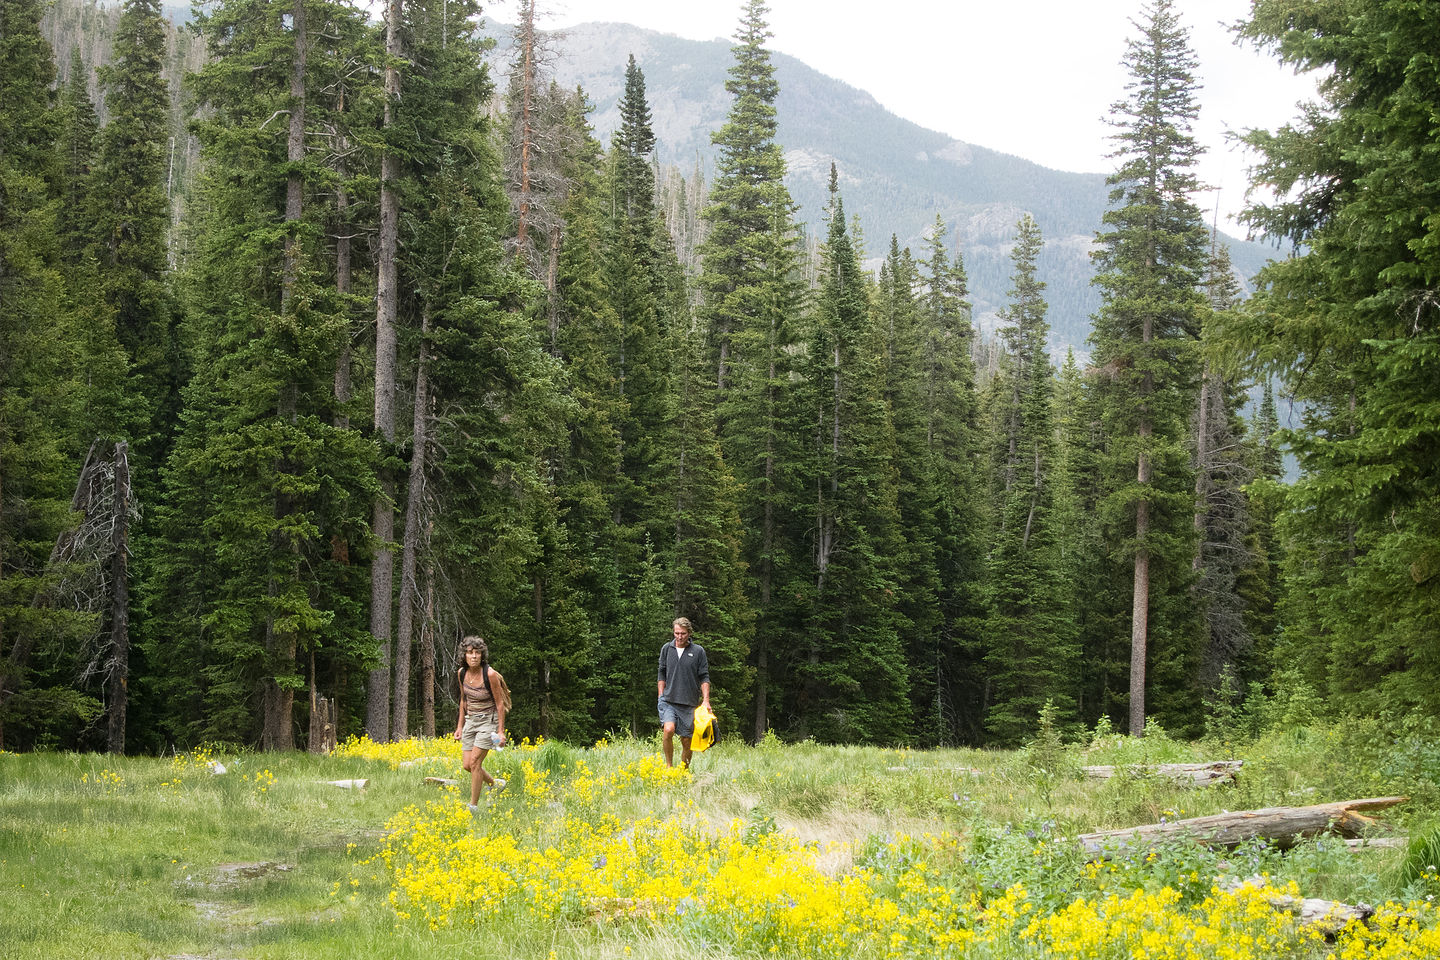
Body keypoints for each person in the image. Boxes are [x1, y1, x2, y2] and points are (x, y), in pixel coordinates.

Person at [452, 636, 508, 809]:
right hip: (471, 721)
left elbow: (500, 704)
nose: (474, 656)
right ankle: (495, 784)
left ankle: (473, 807)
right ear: (465, 655)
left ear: (482, 655)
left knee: (476, 762)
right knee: (467, 765)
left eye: (477, 653)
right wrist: (459, 726)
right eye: (470, 653)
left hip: (488, 722)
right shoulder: (462, 673)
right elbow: (463, 700)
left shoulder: (489, 674)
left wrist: (500, 732)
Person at [657, 617, 710, 768]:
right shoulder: (666, 649)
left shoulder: (698, 651)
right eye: (676, 633)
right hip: (669, 701)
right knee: (668, 729)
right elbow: (661, 673)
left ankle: (683, 771)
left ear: (689, 633)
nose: (679, 637)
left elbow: (704, 677)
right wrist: (660, 695)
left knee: (686, 741)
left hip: (689, 703)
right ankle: (669, 767)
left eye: (683, 633)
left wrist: (706, 700)